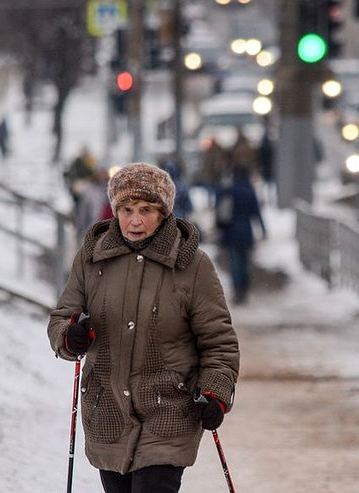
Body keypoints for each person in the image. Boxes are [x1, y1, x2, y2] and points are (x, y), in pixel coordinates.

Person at [47, 162, 240, 493]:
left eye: (146, 210)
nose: (134, 220)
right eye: (126, 209)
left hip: (169, 411)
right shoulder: (92, 259)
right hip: (107, 414)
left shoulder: (192, 265)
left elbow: (219, 342)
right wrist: (70, 335)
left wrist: (215, 393)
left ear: (164, 213)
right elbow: (62, 317)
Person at [216, 165, 266, 305]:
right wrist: (263, 230)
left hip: (231, 233)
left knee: (235, 264)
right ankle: (245, 291)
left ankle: (238, 292)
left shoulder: (229, 191)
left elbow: (220, 209)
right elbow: (257, 214)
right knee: (245, 263)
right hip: (246, 232)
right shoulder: (250, 192)